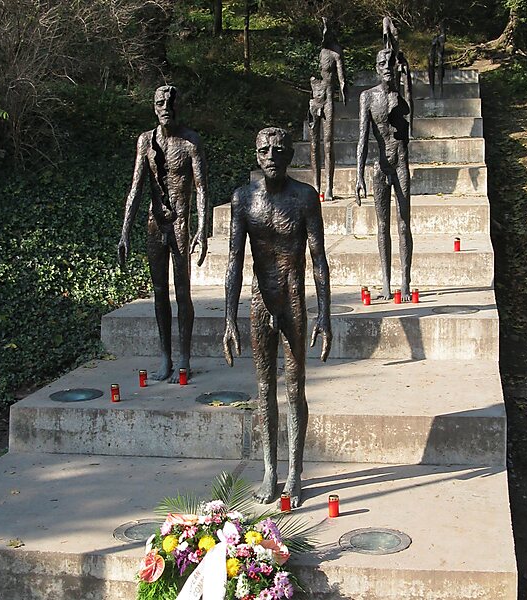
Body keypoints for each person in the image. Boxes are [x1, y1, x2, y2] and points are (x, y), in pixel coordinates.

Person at [223, 127, 332, 507]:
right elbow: (234, 262)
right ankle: (270, 470)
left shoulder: (304, 197)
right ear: (256, 155)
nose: (271, 156)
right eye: (264, 150)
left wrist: (325, 314)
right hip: (260, 300)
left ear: (289, 155)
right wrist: (228, 318)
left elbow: (319, 260)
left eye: (279, 150)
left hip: (293, 299)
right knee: (265, 388)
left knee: (295, 387)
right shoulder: (243, 199)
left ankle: (294, 472)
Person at [117, 85, 208, 382]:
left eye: (170, 102)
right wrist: (125, 232)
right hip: (155, 223)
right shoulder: (146, 141)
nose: (166, 107)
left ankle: (184, 357)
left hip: (180, 223)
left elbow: (201, 188)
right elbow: (136, 188)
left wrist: (202, 228)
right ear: (154, 107)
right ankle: (165, 356)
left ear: (178, 106)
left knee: (182, 292)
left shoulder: (191, 141)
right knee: (159, 292)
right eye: (160, 103)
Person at [355, 48, 413, 300]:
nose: (387, 67)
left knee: (403, 223)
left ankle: (406, 281)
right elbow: (362, 138)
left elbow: (411, 112)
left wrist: (407, 77)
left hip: (400, 164)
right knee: (382, 225)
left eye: (390, 63)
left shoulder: (401, 95)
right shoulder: (368, 97)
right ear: (377, 68)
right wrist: (358, 174)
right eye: (382, 64)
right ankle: (386, 283)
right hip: (380, 166)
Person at [307, 17, 348, 201]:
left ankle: (329, 187)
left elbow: (342, 78)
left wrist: (344, 91)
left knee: (328, 144)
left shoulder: (335, 53)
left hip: (329, 100)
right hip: (315, 99)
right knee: (314, 145)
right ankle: (316, 187)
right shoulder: (320, 52)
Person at [429, 25, 447, 98]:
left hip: (439, 57)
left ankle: (440, 89)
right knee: (431, 66)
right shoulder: (434, 36)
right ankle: (432, 90)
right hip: (432, 55)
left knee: (440, 65)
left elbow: (441, 50)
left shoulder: (441, 36)